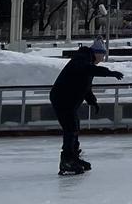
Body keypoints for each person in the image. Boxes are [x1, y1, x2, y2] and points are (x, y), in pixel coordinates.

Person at [47, 38, 123, 176]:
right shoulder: (82, 59)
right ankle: (67, 161)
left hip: (67, 100)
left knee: (74, 126)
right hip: (62, 99)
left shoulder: (86, 61)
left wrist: (92, 101)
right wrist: (109, 72)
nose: (102, 59)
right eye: (102, 55)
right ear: (97, 53)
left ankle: (73, 157)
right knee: (71, 128)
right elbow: (86, 70)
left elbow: (85, 86)